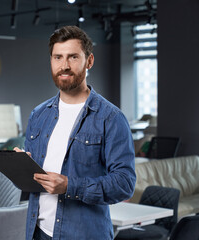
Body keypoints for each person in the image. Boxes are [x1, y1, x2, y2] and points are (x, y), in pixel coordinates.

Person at [15, 25, 136, 240]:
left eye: (72, 57)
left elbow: (124, 184)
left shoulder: (111, 118)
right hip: (37, 233)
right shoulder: (38, 115)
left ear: (89, 61)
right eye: (58, 57)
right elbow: (35, 178)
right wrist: (22, 165)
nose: (64, 66)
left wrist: (70, 186)